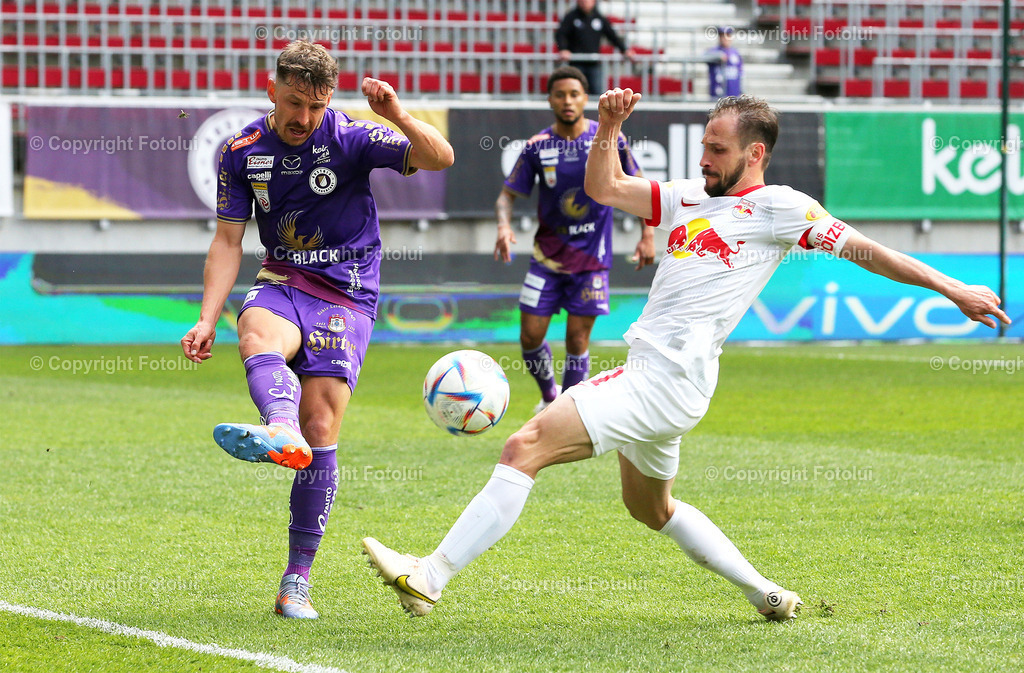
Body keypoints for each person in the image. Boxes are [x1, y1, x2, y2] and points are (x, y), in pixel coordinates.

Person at [361, 91, 1010, 621]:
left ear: (754, 153)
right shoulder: (686, 196)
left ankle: (430, 574)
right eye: (702, 145)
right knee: (652, 510)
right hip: (666, 379)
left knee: (523, 445)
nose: (704, 158)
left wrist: (952, 287)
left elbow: (869, 250)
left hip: (666, 376)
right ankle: (766, 593)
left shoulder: (780, 208)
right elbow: (606, 187)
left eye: (717, 149)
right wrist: (609, 126)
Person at [180, 40, 453, 620]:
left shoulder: (351, 135)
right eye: (295, 102)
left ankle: (295, 581)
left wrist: (398, 115)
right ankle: (278, 428)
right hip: (281, 277)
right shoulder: (241, 151)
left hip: (348, 294)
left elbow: (440, 158)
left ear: (329, 99)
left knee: (322, 422)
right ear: (272, 89)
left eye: (315, 104)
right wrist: (207, 316)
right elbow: (229, 240)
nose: (303, 118)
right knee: (255, 329)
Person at [495, 66, 654, 414]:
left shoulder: (608, 140)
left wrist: (647, 234)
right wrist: (504, 227)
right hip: (546, 259)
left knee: (577, 339)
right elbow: (506, 196)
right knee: (529, 337)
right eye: (560, 94)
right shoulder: (537, 147)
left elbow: (641, 187)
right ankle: (549, 394)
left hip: (591, 261)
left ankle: (565, 412)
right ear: (550, 99)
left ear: (585, 99)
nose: (567, 101)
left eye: (574, 94)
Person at [556, 0, 637, 94]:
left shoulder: (599, 17)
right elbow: (561, 34)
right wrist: (563, 49)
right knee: (576, 92)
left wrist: (625, 50)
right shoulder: (571, 17)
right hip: (576, 63)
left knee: (597, 92)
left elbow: (612, 35)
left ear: (593, 1)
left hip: (593, 63)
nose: (585, 2)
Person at [706, 26, 743, 99]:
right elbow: (704, 56)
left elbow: (741, 73)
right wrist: (718, 56)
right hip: (718, 95)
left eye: (727, 36)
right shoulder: (714, 51)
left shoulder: (735, 53)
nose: (725, 39)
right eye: (722, 36)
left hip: (734, 95)